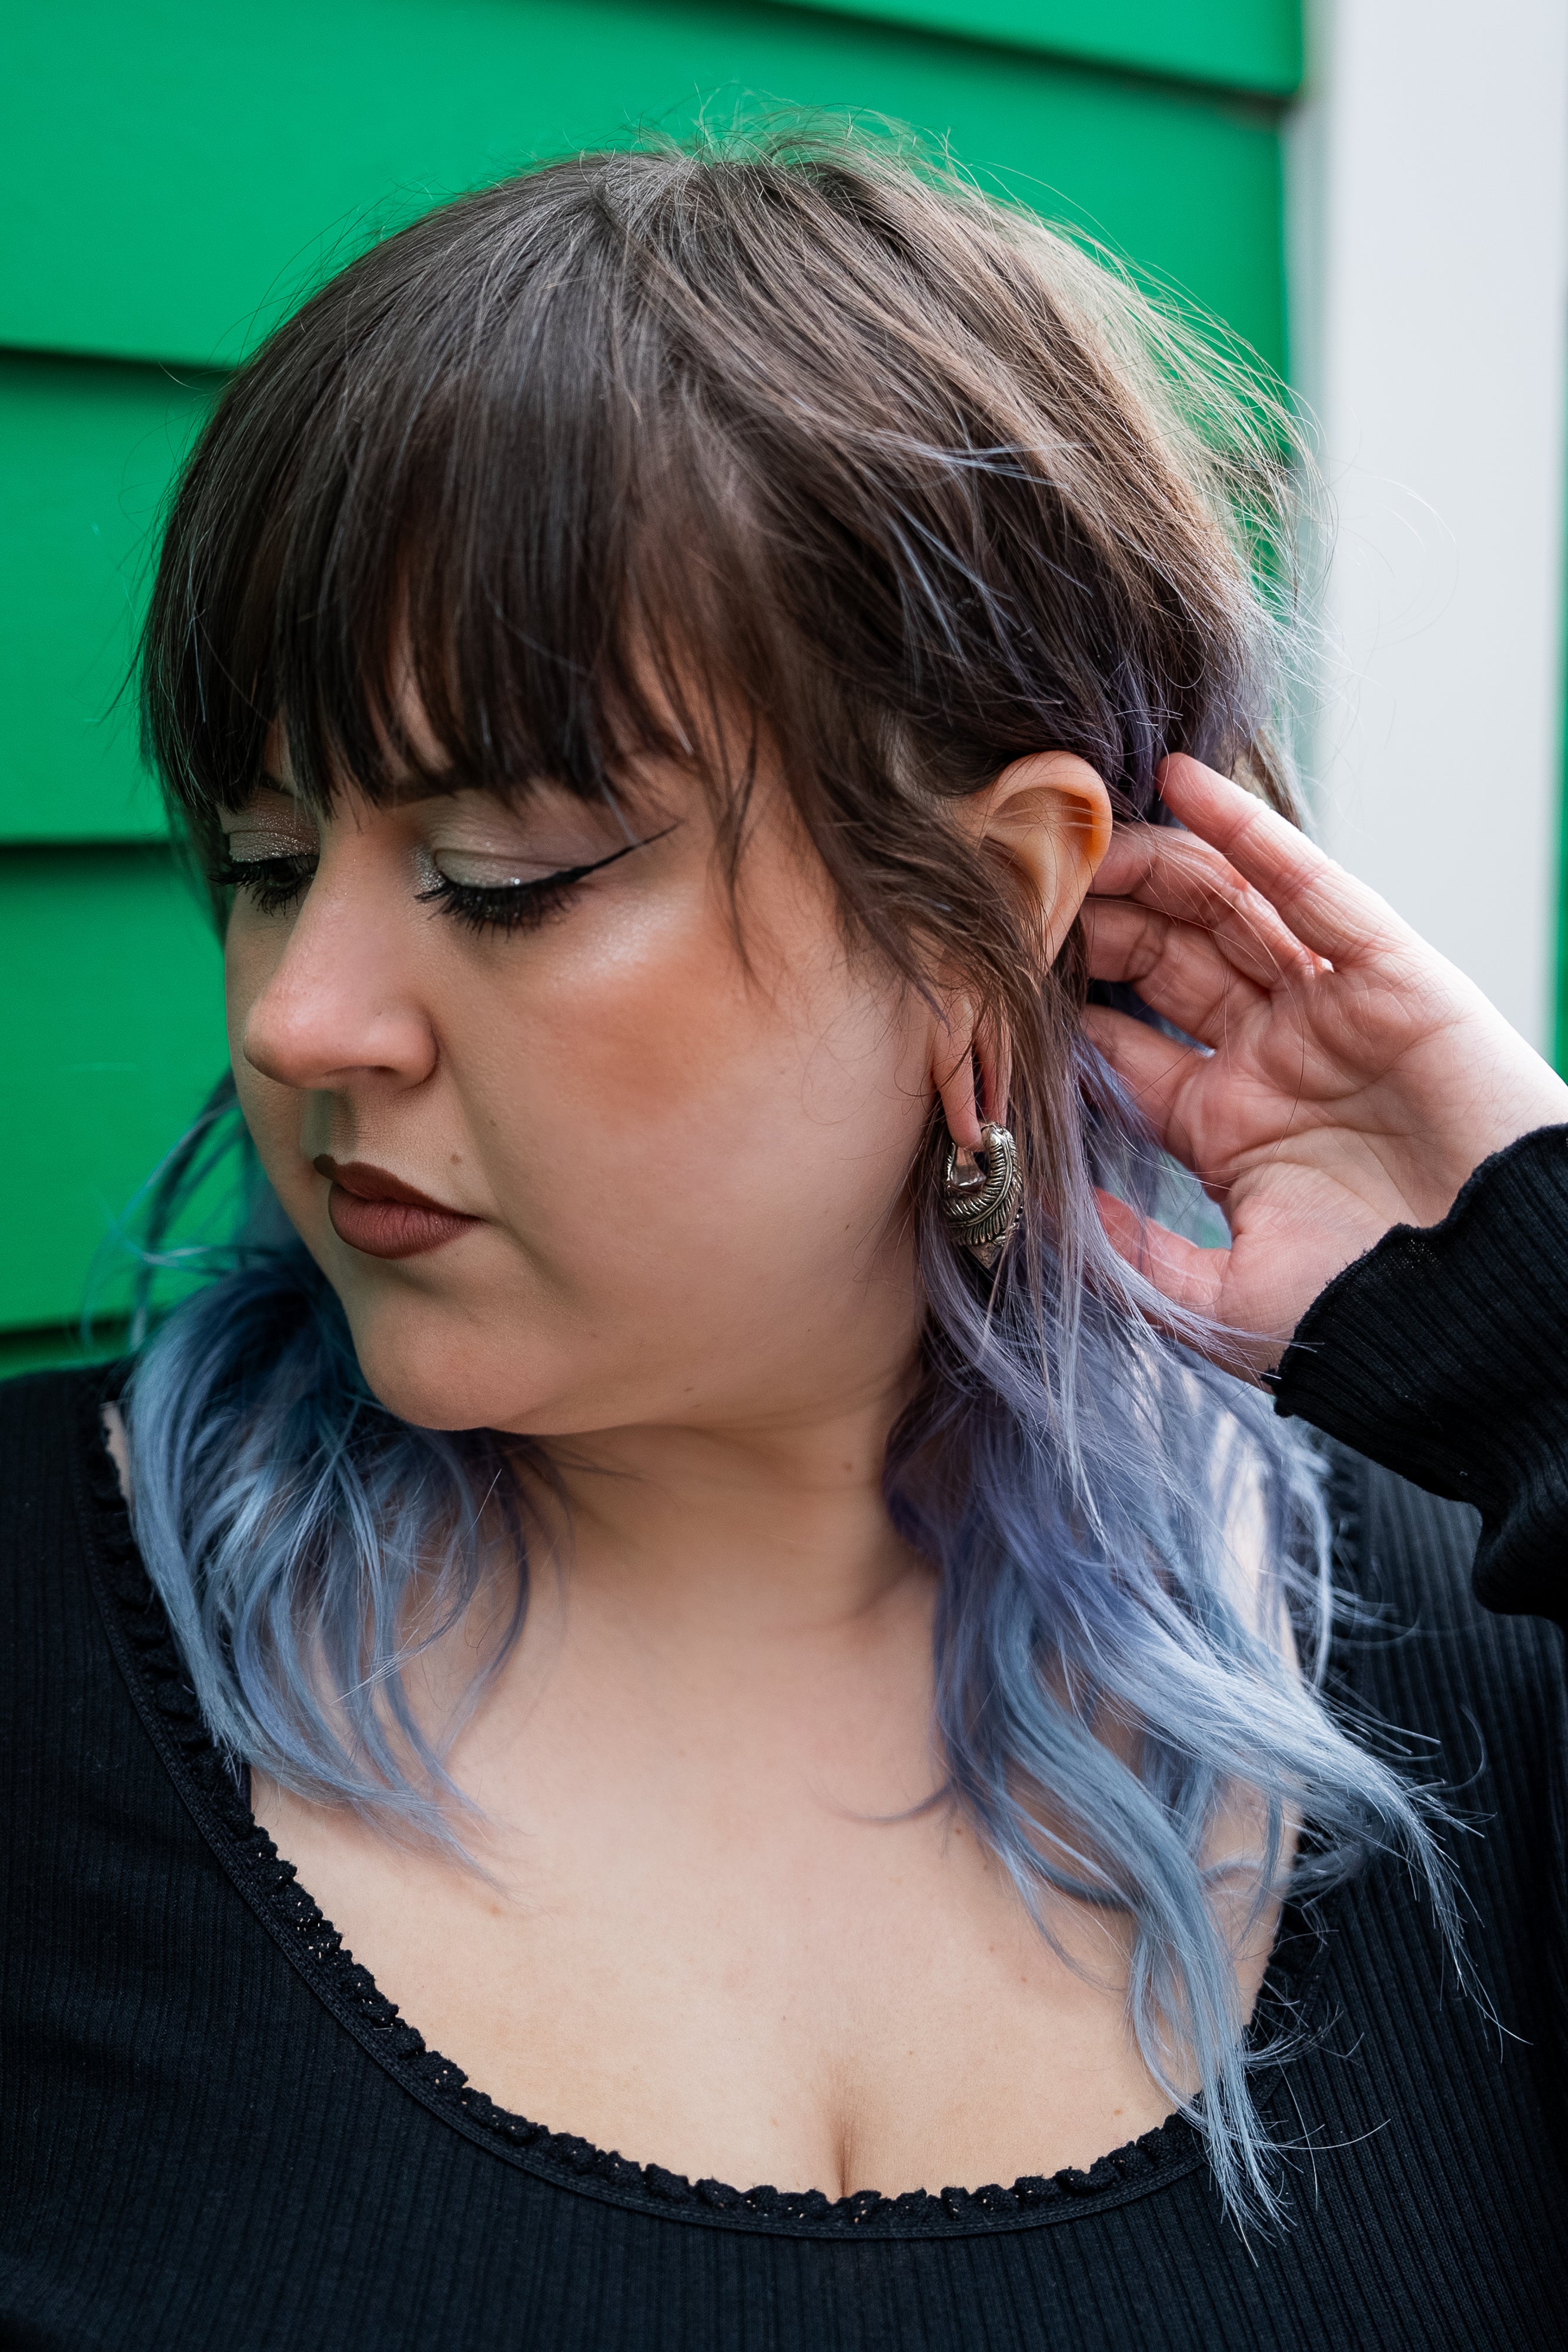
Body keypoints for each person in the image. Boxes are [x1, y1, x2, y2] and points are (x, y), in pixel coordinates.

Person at [5, 135, 1567, 2350]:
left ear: (996, 907)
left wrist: (1540, 1314)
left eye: (504, 877)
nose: (297, 1016)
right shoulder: (43, 1651)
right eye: (262, 860)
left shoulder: (1483, 1660)